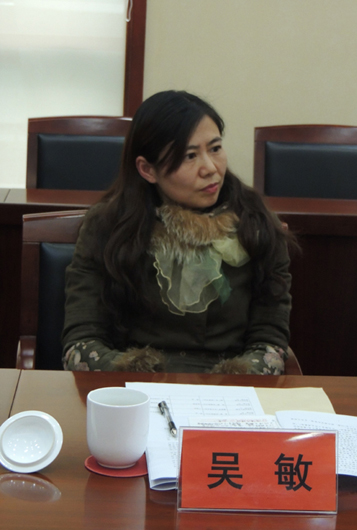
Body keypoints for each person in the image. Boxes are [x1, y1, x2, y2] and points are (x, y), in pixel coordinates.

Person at [62, 90, 295, 374]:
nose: (210, 168)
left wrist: (232, 383)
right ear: (148, 169)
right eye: (190, 156)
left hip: (230, 387)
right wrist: (138, 379)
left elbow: (270, 342)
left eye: (215, 149)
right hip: (133, 384)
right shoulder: (108, 225)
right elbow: (81, 343)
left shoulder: (256, 223)